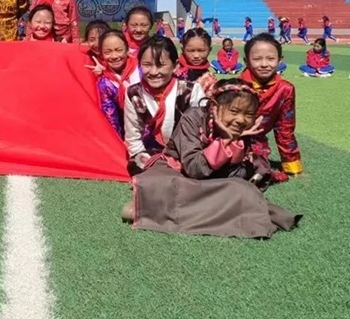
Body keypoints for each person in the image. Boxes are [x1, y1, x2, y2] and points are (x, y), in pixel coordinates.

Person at [126, 79, 300, 238]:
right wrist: (224, 141)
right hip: (179, 175)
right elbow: (194, 169)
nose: (241, 120)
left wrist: (235, 143)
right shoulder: (192, 118)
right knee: (163, 190)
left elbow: (236, 175)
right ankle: (150, 209)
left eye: (248, 114)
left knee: (243, 190)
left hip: (212, 183)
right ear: (214, 107)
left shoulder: (245, 131)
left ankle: (178, 211)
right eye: (234, 111)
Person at [123, 37, 206, 174]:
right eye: (147, 65)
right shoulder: (133, 93)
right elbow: (133, 136)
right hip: (154, 152)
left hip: (189, 151)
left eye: (161, 65)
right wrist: (141, 157)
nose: (154, 72)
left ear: (176, 65)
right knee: (137, 165)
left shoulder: (190, 90)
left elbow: (203, 131)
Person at [239, 33, 302, 179]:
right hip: (230, 138)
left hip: (258, 143)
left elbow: (285, 128)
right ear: (246, 61)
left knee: (259, 166)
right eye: (257, 59)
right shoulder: (236, 86)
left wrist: (292, 165)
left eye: (271, 59)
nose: (264, 64)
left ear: (280, 60)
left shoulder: (285, 89)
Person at [96, 30, 140, 138]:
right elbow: (111, 118)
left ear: (127, 49)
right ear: (101, 54)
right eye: (108, 52)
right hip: (129, 133)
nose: (114, 56)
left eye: (119, 50)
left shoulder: (142, 69)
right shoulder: (105, 84)